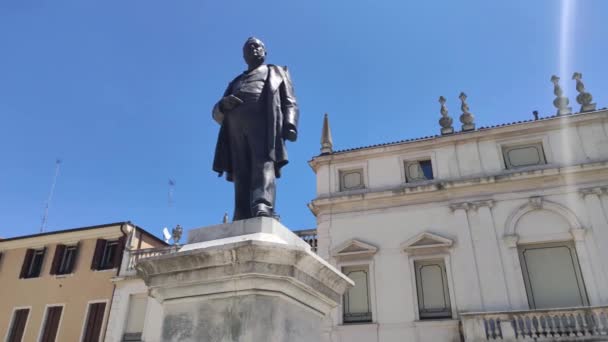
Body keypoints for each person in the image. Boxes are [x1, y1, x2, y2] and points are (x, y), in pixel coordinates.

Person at [212, 37, 299, 221]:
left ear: (265, 52)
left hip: (264, 123)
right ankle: (241, 211)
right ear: (244, 55)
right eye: (249, 47)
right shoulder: (235, 81)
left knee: (264, 162)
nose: (254, 49)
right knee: (240, 169)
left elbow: (290, 101)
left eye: (257, 46)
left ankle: (263, 205)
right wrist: (223, 105)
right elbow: (216, 114)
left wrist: (290, 124)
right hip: (235, 129)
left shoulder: (277, 72)